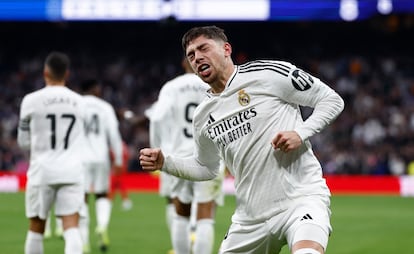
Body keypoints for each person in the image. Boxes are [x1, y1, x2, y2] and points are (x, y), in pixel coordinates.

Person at [139, 26, 345, 254]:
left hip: (301, 200)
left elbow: (331, 100)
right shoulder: (203, 115)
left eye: (203, 48)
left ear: (226, 49)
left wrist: (300, 133)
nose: (197, 58)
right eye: (191, 55)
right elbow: (206, 167)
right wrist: (165, 162)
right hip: (250, 220)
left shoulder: (268, 74)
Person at [147, 58, 225, 254]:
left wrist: (156, 148)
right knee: (205, 215)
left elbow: (156, 118)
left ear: (184, 63)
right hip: (210, 156)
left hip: (179, 156)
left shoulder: (171, 87)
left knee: (180, 212)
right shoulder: (214, 83)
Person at [18, 51, 85, 254]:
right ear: (67, 73)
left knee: (37, 228)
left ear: (45, 72)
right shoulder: (79, 101)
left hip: (42, 171)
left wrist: (37, 153)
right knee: (71, 226)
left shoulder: (30, 100)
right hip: (72, 171)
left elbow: (23, 142)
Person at [79, 79, 123, 253]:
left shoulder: (76, 105)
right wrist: (118, 159)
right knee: (102, 195)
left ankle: (84, 242)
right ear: (94, 88)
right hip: (101, 157)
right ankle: (102, 226)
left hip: (80, 158)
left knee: (81, 198)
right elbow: (113, 134)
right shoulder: (105, 107)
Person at [108, 141, 133, 211]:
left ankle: (110, 201)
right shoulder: (123, 145)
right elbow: (128, 155)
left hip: (117, 166)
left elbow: (112, 155)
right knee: (119, 184)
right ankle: (126, 201)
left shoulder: (116, 145)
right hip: (122, 166)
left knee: (114, 184)